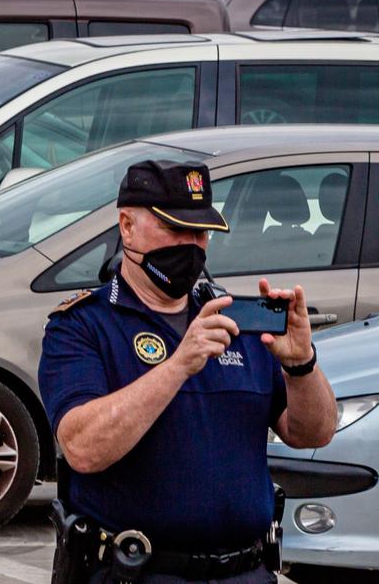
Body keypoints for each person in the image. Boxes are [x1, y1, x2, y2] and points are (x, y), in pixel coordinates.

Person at [40, 159, 337, 583]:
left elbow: (314, 433)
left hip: (245, 570)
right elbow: (83, 448)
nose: (191, 245)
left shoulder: (237, 322)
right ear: (126, 226)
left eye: (200, 233)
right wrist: (178, 366)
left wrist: (301, 364)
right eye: (175, 229)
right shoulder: (83, 325)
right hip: (138, 571)